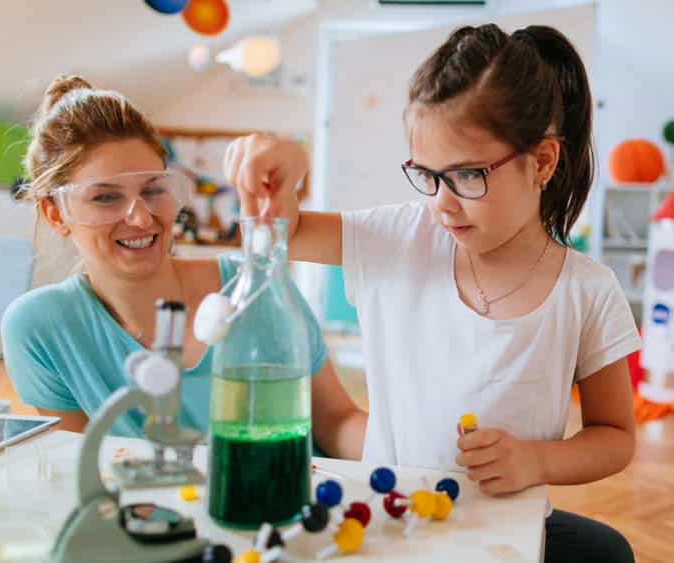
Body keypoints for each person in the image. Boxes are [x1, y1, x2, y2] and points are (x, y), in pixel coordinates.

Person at [224, 24, 639, 562]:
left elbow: (615, 436)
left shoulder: (587, 290)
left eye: (468, 175)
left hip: (503, 540)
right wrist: (288, 164)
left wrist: (538, 461)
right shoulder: (398, 238)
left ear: (542, 161)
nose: (442, 203)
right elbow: (277, 228)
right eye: (428, 174)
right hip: (386, 531)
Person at [0, 76, 367, 459]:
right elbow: (85, 471)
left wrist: (417, 452)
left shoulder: (256, 287)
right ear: (56, 213)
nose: (141, 219)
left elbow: (337, 422)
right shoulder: (40, 329)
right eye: (106, 197)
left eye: (154, 189)